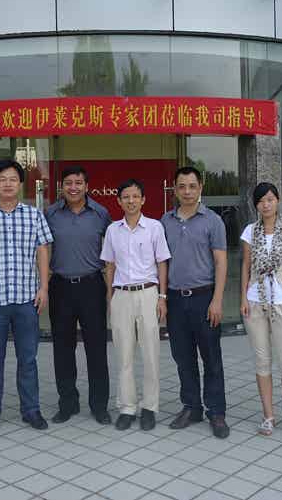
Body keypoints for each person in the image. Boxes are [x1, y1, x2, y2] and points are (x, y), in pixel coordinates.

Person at [0, 159, 54, 435]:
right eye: (2, 179)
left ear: (20, 183)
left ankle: (31, 410)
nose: (7, 184)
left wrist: (43, 288)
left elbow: (42, 250)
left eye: (13, 179)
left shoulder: (34, 215)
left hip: (27, 300)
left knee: (28, 360)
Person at [161, 166, 230, 438]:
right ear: (175, 189)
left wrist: (217, 300)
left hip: (204, 298)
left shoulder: (213, 221)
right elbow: (162, 263)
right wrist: (162, 297)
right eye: (182, 186)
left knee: (211, 357)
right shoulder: (165, 221)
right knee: (183, 357)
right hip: (176, 299)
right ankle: (191, 407)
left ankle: (216, 411)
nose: (187, 191)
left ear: (200, 187)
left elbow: (221, 262)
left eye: (192, 186)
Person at [101, 179, 170, 431]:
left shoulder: (154, 227)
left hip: (148, 294)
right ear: (119, 201)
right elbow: (109, 266)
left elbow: (162, 262)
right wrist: (110, 298)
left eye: (135, 196)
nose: (131, 201)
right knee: (124, 355)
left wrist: (162, 297)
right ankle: (127, 407)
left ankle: (149, 407)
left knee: (151, 354)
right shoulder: (112, 230)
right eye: (126, 197)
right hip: (122, 295)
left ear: (143, 200)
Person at [45, 165, 112, 425]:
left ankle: (99, 405)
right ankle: (68, 403)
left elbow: (113, 250)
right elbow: (42, 249)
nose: (73, 187)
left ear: (86, 186)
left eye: (78, 183)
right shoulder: (50, 214)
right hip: (60, 286)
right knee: (63, 348)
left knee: (96, 348)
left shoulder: (100, 213)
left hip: (91, 286)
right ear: (62, 186)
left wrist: (111, 288)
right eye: (68, 183)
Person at [240, 182, 282, 437]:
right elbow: (246, 266)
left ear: (277, 201)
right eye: (261, 201)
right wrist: (243, 298)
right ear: (255, 205)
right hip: (255, 301)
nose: (265, 204)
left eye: (270, 199)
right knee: (262, 361)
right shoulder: (249, 231)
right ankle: (268, 416)